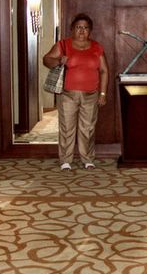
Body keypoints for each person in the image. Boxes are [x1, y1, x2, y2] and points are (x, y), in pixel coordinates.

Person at [43, 13, 108, 170]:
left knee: (88, 128)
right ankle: (66, 160)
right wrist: (59, 60)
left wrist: (103, 94)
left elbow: (104, 71)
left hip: (91, 95)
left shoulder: (97, 47)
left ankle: (88, 159)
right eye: (78, 27)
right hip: (68, 95)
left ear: (90, 30)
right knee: (67, 127)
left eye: (85, 28)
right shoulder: (63, 45)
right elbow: (46, 60)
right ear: (72, 29)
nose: (82, 30)